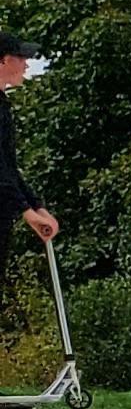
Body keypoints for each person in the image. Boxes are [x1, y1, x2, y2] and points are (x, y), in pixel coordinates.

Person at [0, 44, 53, 259]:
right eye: (20, 58)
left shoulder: (2, 105)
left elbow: (8, 166)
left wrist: (35, 206)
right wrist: (27, 211)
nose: (27, 65)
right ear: (3, 60)